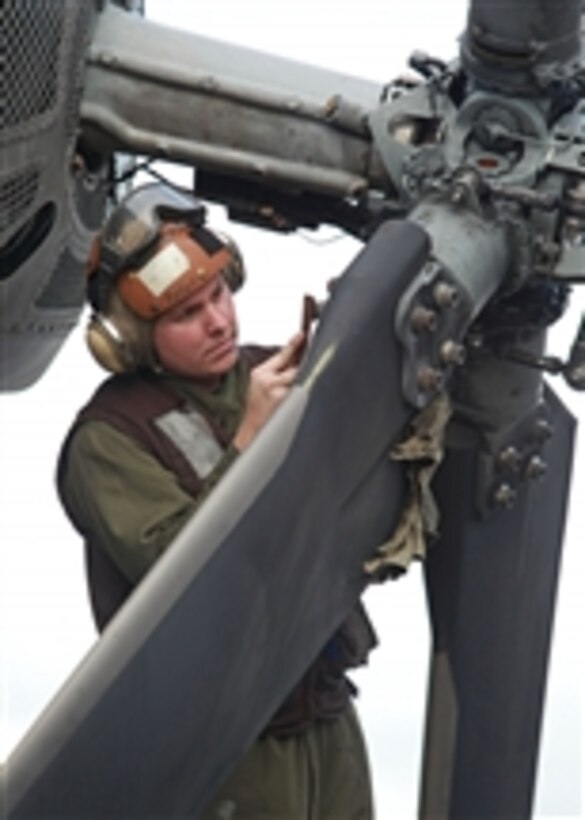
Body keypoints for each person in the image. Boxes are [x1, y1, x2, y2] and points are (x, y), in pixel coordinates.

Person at [57, 182, 377, 819]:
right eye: (185, 314)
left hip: (323, 715)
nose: (219, 321)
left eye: (219, 294)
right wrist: (254, 438)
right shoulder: (109, 441)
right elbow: (185, 574)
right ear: (130, 338)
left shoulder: (284, 375)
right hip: (220, 747)